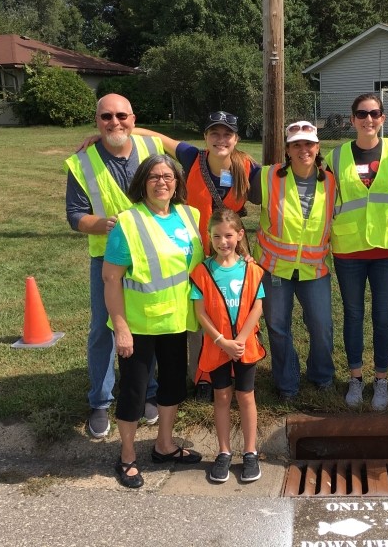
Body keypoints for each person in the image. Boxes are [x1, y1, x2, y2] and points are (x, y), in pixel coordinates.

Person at [129, 113, 261, 394]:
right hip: (196, 253)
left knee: (231, 310)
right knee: (200, 317)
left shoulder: (247, 167)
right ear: (205, 137)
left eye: (227, 134)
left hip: (230, 253)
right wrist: (112, 132)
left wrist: (245, 252)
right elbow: (156, 138)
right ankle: (202, 375)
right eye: (215, 133)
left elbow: (276, 187)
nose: (220, 140)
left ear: (236, 139)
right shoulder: (191, 158)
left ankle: (235, 367)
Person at [102, 154, 205, 488]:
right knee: (134, 391)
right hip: (139, 325)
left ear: (177, 183)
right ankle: (127, 456)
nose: (163, 182)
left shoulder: (190, 215)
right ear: (142, 183)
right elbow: (111, 279)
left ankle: (164, 446)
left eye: (169, 177)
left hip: (176, 321)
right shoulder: (128, 223)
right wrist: (121, 327)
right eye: (155, 177)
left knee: (173, 386)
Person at [65, 93, 164, 439]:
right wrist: (102, 225)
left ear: (133, 119)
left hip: (149, 255)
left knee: (146, 326)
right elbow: (75, 215)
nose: (114, 122)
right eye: (106, 117)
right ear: (97, 122)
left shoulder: (152, 151)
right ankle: (100, 401)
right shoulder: (82, 162)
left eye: (122, 115)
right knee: (104, 329)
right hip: (106, 259)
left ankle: (148, 392)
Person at [325, 94, 388, 411]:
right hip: (348, 250)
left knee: (382, 316)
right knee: (353, 314)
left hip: (387, 249)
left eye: (374, 113)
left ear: (383, 117)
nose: (368, 119)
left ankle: (382, 380)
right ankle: (356, 378)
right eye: (362, 113)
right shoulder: (335, 157)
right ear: (352, 119)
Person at [249, 121, 336, 400]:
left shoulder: (332, 180)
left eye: (309, 144)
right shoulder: (266, 176)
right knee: (278, 327)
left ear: (318, 147)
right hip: (275, 267)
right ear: (287, 149)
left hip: (315, 268)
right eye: (296, 144)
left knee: (322, 326)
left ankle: (321, 375)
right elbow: (233, 187)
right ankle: (287, 383)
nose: (303, 150)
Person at [191, 209, 265, 483]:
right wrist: (222, 341)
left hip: (245, 347)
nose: (223, 241)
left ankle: (250, 452)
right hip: (217, 347)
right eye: (217, 236)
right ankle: (224, 451)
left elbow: (257, 307)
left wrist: (241, 340)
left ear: (240, 235)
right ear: (209, 238)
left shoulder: (252, 269)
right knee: (221, 397)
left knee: (246, 396)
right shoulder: (202, 271)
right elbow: (200, 312)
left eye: (229, 235)